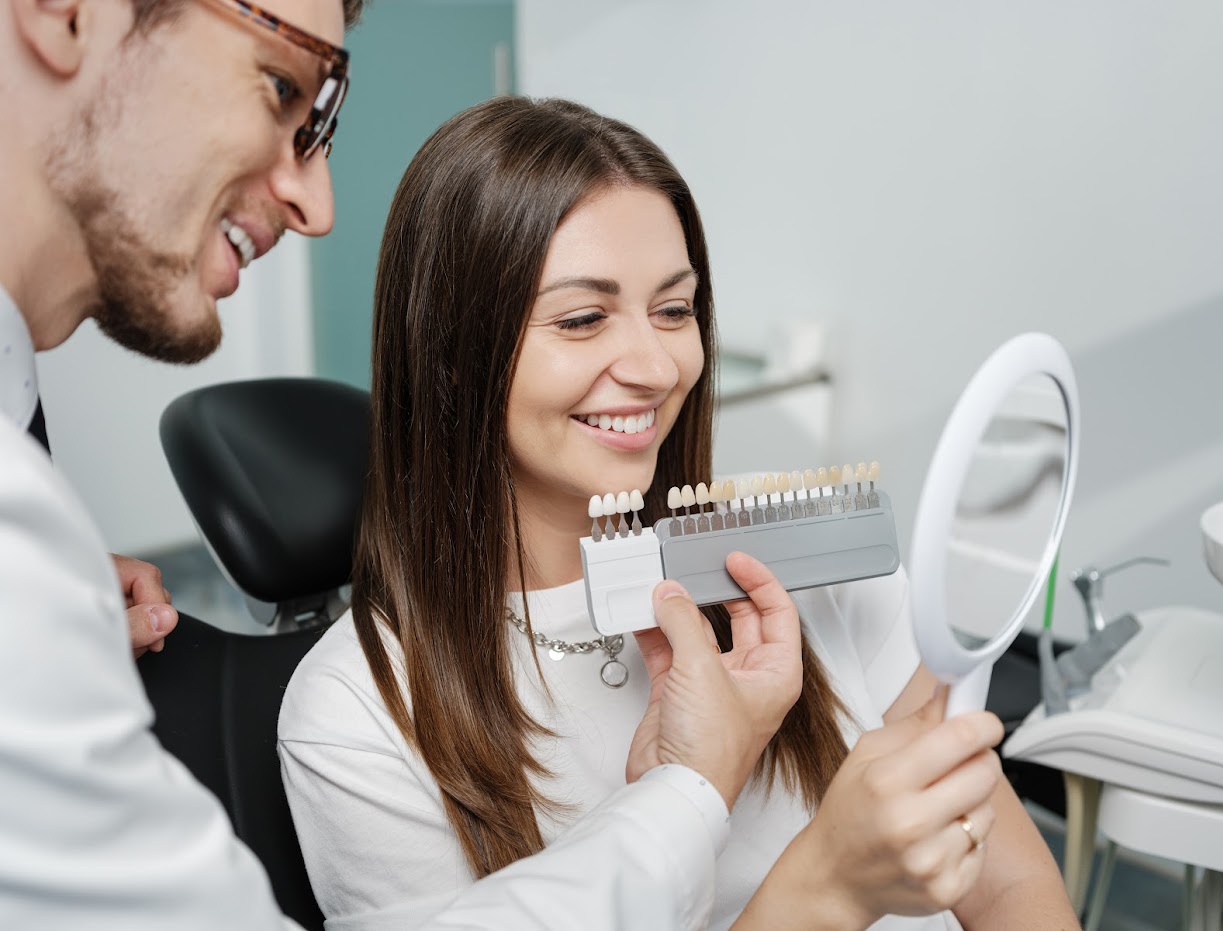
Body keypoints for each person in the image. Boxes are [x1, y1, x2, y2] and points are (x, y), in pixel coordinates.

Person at [0, 1, 806, 927]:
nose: (318, 205)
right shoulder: (352, 713)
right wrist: (727, 820)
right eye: (278, 84)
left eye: (675, 310)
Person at [279, 96, 1081, 930]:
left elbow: (1010, 882)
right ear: (450, 356)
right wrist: (826, 888)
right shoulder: (356, 717)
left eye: (673, 308)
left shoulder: (798, 547)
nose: (657, 364)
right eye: (583, 319)